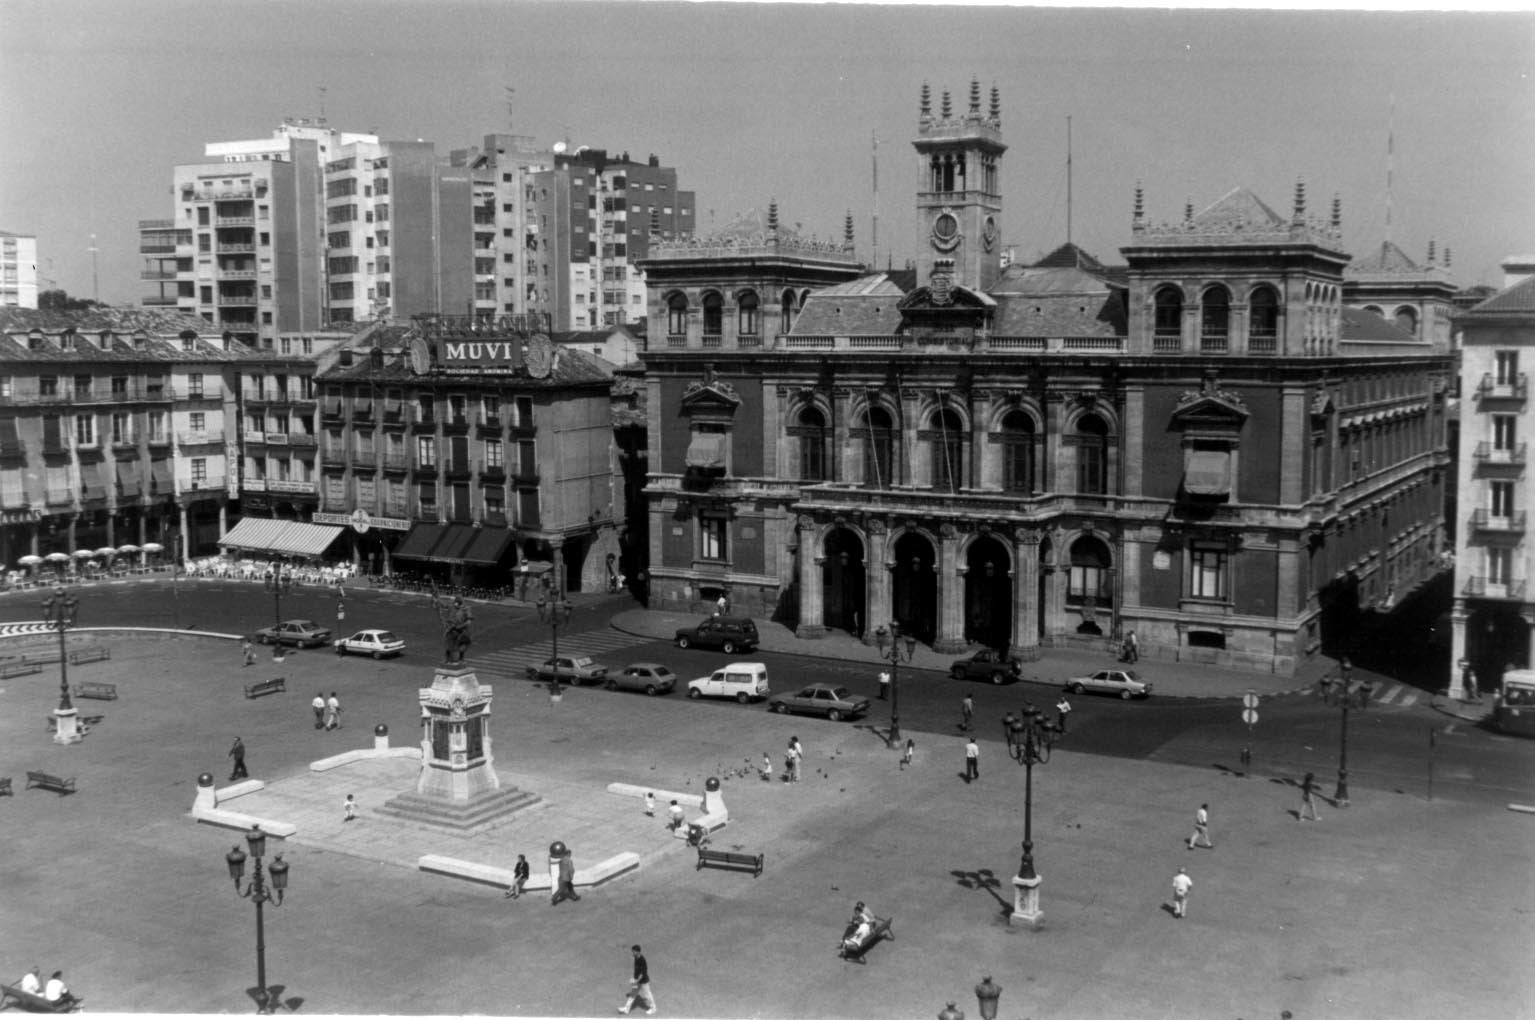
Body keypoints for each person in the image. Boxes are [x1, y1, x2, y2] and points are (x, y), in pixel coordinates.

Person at [618, 944, 656, 1015]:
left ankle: (653, 1008)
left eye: (633, 952)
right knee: (632, 995)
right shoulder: (636, 957)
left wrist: (636, 981)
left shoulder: (642, 960)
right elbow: (637, 971)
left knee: (648, 995)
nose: (632, 953)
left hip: (643, 982)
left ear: (637, 952)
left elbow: (642, 973)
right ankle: (626, 1009)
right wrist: (634, 978)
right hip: (637, 981)